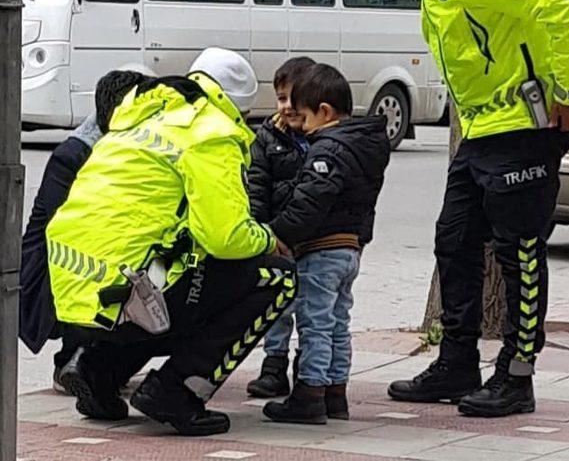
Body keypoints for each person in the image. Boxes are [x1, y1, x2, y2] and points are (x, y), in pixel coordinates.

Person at [365, 0, 569, 417]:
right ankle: (457, 362)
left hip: (525, 120)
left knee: (518, 251)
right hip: (483, 126)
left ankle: (517, 377)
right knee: (456, 240)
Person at [46, 48, 297, 436]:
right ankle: (177, 391)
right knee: (276, 278)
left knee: (171, 275)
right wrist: (267, 238)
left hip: (75, 290)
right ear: (239, 108)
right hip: (130, 291)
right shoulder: (211, 131)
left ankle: (96, 370)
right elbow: (224, 236)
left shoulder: (141, 116)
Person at [262, 64, 391, 424]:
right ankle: (336, 393)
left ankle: (309, 393)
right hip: (349, 248)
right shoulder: (364, 144)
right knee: (337, 322)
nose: (300, 125)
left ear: (325, 112)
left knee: (314, 322)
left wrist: (278, 235)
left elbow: (309, 204)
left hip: (321, 250)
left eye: (303, 117)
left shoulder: (328, 151)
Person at [19, 69, 149, 393]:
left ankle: (102, 361)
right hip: (50, 268)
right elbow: (66, 226)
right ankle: (71, 361)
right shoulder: (73, 154)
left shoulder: (129, 150)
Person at [246, 56, 316, 398]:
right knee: (276, 306)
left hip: (316, 241)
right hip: (277, 238)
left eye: (293, 98)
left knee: (311, 308)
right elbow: (257, 187)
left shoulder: (325, 137)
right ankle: (273, 365)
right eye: (280, 98)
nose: (286, 106)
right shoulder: (267, 137)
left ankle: (308, 367)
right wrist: (264, 233)